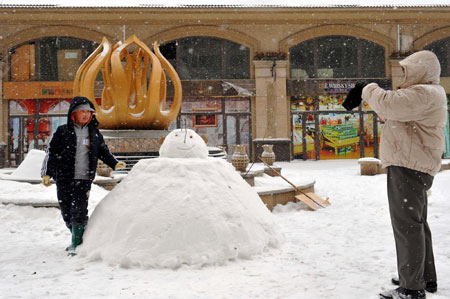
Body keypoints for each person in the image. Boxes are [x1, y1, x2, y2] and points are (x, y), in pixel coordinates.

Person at [343, 50, 447, 299]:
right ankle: (423, 277)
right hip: (413, 163)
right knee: (417, 224)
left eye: (407, 70)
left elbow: (388, 104)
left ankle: (412, 287)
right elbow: (394, 108)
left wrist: (367, 87)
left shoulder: (424, 93)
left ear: (421, 70)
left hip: (409, 166)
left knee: (407, 226)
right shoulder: (428, 93)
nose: (403, 75)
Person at [41, 96, 126, 254]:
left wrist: (114, 163)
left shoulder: (94, 134)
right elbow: (51, 153)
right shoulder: (62, 132)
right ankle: (78, 236)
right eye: (82, 111)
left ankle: (77, 244)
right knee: (66, 211)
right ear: (73, 114)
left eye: (89, 112)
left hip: (84, 179)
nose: (86, 115)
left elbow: (103, 152)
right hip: (64, 179)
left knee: (79, 211)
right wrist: (47, 173)